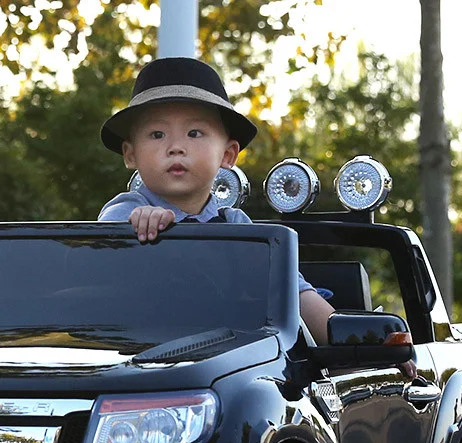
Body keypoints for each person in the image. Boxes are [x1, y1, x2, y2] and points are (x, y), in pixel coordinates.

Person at [97, 57, 336, 345]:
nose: (175, 148)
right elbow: (102, 263)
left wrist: (359, 345)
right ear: (130, 154)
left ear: (228, 155)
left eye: (194, 133)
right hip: (141, 364)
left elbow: (295, 295)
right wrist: (135, 228)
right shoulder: (126, 214)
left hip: (227, 366)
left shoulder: (240, 230)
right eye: (157, 134)